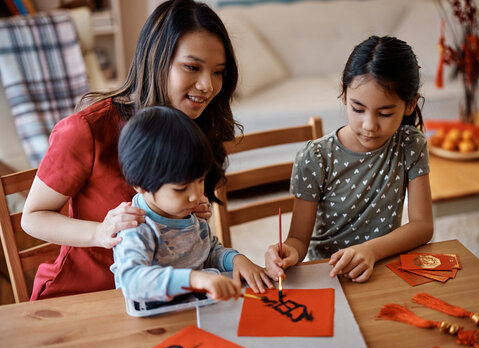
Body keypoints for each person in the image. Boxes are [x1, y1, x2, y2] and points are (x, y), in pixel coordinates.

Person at [21, 0, 270, 300]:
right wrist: (99, 233)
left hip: (167, 299)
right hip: (83, 296)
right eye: (192, 67)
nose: (208, 85)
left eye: (218, 72)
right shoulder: (86, 130)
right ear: (156, 59)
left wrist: (190, 208)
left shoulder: (197, 123)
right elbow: (32, 217)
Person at [265, 36, 434, 283]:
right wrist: (288, 252)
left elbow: (422, 226)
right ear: (343, 94)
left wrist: (371, 251)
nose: (369, 125)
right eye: (358, 109)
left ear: (410, 105)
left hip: (383, 268)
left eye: (385, 113)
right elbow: (299, 241)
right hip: (329, 275)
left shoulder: (410, 143)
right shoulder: (316, 157)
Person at [112, 106, 265, 301]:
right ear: (140, 186)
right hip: (157, 323)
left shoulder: (190, 210)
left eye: (200, 180)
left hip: (195, 310)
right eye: (181, 189)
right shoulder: (137, 227)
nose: (196, 195)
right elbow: (132, 281)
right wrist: (194, 279)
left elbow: (207, 252)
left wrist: (236, 259)